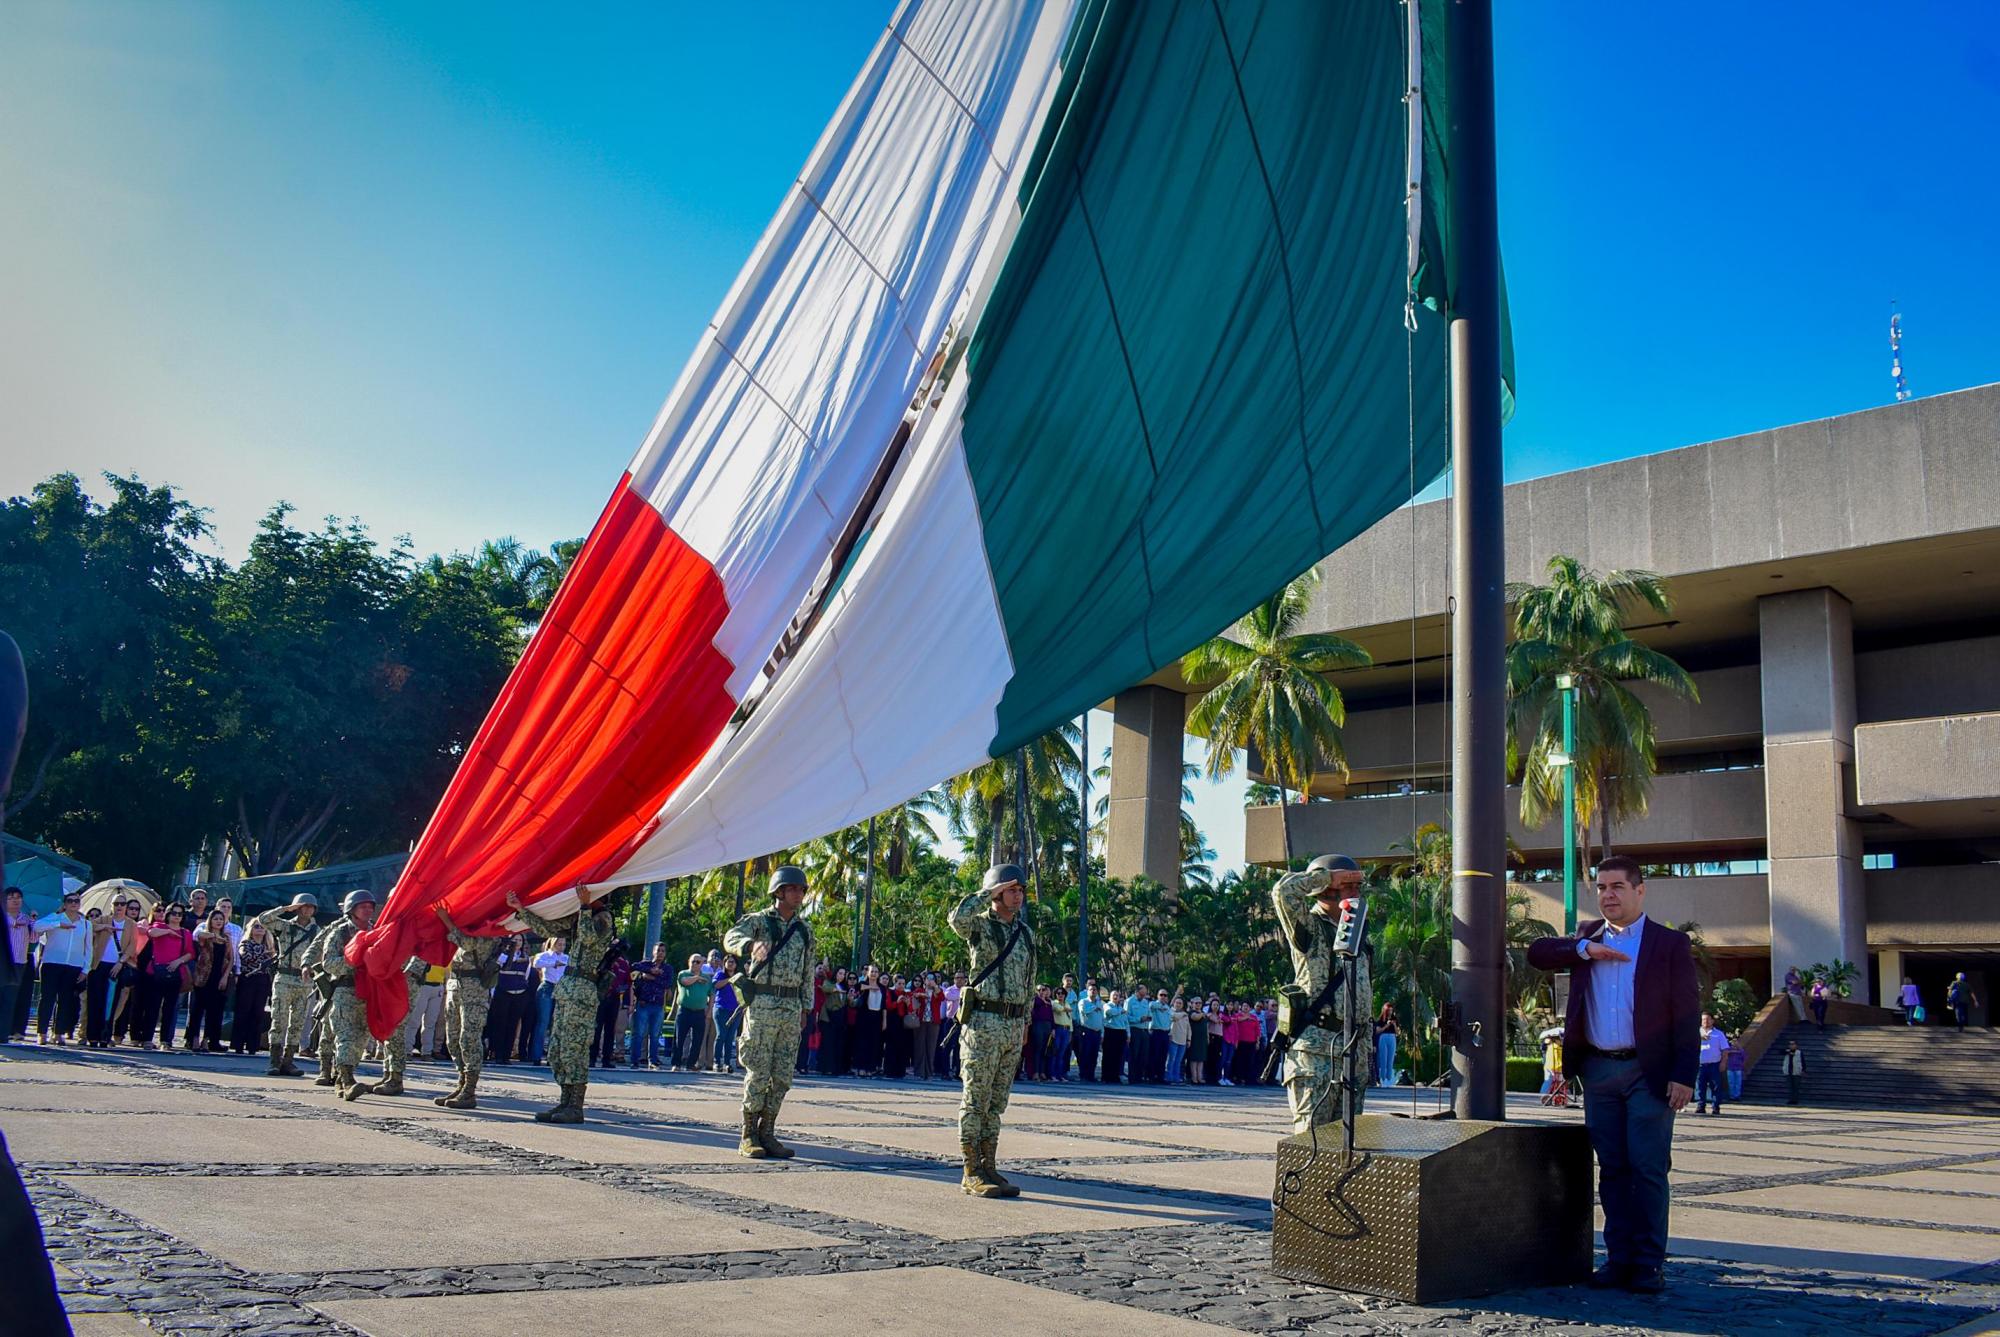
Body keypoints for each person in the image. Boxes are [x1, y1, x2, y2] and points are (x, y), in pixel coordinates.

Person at [1527, 855, 1699, 1295]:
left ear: (1640, 890)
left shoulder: (1668, 944)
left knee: (1647, 1169)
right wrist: (1586, 949)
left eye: (1618, 887)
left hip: (1650, 1073)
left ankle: (1647, 1264)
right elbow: (1537, 954)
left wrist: (1684, 1075)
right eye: (1602, 887)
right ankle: (1618, 1260)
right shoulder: (1588, 936)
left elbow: (1686, 1013)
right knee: (1613, 1170)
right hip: (1600, 1072)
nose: (1608, 895)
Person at [950, 863, 1035, 1198]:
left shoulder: (1026, 933)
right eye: (1012, 889)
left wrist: (1025, 1021)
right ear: (998, 893)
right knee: (976, 1100)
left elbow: (1030, 981)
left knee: (996, 1103)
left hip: (1012, 1026)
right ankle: (971, 1170)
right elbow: (957, 919)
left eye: (1020, 890)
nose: (1019, 895)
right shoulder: (980, 926)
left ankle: (990, 1165)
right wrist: (988, 892)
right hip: (983, 1023)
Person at [1271, 855, 1372, 1130]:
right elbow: (1283, 891)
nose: (1357, 894)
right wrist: (1325, 878)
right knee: (1310, 1144)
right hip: (1315, 1056)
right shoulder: (1310, 928)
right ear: (1327, 891)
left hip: (1353, 1056)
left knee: (1347, 1148)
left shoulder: (1359, 935)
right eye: (1349, 886)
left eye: (1358, 887)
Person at [725, 865, 816, 1158]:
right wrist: (750, 946)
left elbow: (807, 972)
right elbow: (731, 937)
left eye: (802, 890)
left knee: (782, 1075)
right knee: (758, 1071)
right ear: (778, 891)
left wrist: (806, 1007)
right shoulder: (760, 922)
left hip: (790, 1008)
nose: (799, 894)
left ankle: (768, 1131)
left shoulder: (804, 930)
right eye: (793, 889)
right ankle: (748, 1134)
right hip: (762, 1005)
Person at [510, 890, 618, 1123]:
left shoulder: (603, 918)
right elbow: (549, 929)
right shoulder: (582, 916)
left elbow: (589, 938)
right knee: (558, 1050)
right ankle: (564, 1102)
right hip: (567, 989)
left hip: (583, 992)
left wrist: (585, 906)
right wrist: (521, 910)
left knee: (574, 1049)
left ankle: (575, 1107)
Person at [307, 890, 379, 1100]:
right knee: (345, 1035)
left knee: (361, 1037)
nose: (368, 910)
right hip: (345, 990)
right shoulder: (340, 933)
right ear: (351, 909)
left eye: (370, 906)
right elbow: (329, 963)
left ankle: (340, 1079)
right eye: (362, 906)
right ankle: (348, 1080)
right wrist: (355, 963)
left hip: (368, 991)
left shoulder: (376, 931)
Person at [434, 905, 504, 1108]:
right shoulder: (466, 927)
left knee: (469, 1038)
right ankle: (462, 1083)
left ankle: (470, 1091)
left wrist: (446, 920)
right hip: (455, 984)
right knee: (453, 1039)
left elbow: (466, 943)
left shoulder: (489, 931)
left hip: (474, 989)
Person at [254, 894, 320, 1076]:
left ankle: (289, 1061)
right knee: (278, 1020)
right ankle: (274, 1061)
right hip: (284, 978)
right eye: (303, 906)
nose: (307, 910)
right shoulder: (285, 926)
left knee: (297, 1023)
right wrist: (285, 909)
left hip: (305, 981)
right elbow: (263, 919)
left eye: (311, 907)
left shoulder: (317, 931)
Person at [32, 888, 90, 1045]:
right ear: (64, 904)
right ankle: (42, 1032)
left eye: (76, 901)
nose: (73, 904)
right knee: (47, 998)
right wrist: (58, 924)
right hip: (52, 963)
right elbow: (37, 926)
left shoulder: (85, 923)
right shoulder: (55, 918)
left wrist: (86, 969)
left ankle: (58, 1033)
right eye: (70, 901)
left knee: (65, 1000)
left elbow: (88, 948)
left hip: (73, 965)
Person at [185, 909, 232, 1052]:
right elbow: (198, 935)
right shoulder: (205, 935)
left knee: (214, 1011)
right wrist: (214, 935)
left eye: (221, 919)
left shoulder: (227, 938)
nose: (218, 921)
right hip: (203, 976)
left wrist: (225, 977)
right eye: (215, 918)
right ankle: (193, 1039)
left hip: (219, 976)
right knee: (197, 1009)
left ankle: (207, 1039)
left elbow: (230, 959)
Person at [232, 916, 275, 1054]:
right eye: (256, 926)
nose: (260, 929)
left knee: (258, 1013)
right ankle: (238, 1043)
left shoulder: (269, 946)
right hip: (248, 979)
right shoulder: (245, 944)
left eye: (262, 927)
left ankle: (253, 1045)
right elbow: (246, 957)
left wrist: (267, 954)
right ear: (251, 929)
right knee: (243, 1011)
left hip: (263, 981)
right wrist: (264, 954)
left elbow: (272, 961)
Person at [1, 886, 35, 1043]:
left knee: (11, 998)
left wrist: (34, 923)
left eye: (18, 897)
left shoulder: (26, 919)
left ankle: (5, 1033)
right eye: (11, 897)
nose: (15, 900)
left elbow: (34, 940)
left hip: (19, 963)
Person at [628, 943, 671, 1069]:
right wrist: (648, 971)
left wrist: (651, 977)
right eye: (658, 950)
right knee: (639, 1033)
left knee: (655, 1034)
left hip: (658, 1005)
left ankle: (653, 1060)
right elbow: (633, 967)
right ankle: (634, 1061)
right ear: (653, 952)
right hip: (643, 1003)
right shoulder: (645, 965)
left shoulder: (667, 968)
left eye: (663, 951)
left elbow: (666, 983)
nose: (660, 953)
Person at [529, 936, 569, 1064]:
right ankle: (536, 1055)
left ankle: (552, 1056)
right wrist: (553, 963)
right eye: (559, 944)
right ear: (552, 944)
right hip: (547, 987)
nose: (561, 947)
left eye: (563, 944)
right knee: (543, 1022)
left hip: (561, 988)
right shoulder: (544, 955)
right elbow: (536, 963)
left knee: (556, 1024)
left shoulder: (566, 958)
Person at [592, 938, 630, 1069]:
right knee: (596, 1029)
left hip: (614, 998)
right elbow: (597, 973)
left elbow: (627, 982)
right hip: (600, 997)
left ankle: (606, 1059)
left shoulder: (624, 963)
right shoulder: (604, 958)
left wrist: (623, 992)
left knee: (610, 1030)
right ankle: (592, 1057)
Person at [672, 953, 712, 1073]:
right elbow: (685, 982)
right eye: (692, 961)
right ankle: (676, 1063)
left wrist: (709, 1011)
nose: (694, 964)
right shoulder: (683, 973)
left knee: (697, 1040)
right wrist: (696, 978)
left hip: (699, 1012)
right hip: (684, 1011)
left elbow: (711, 995)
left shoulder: (707, 978)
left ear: (702, 964)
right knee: (680, 1038)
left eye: (698, 962)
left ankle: (691, 1064)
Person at [1694, 1013, 1728, 1115]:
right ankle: (1701, 1106)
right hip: (1700, 1065)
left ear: (1712, 1021)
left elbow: (1725, 1050)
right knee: (1700, 1087)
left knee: (1716, 1086)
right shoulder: (1695, 1033)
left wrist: (1723, 1062)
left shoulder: (1719, 1034)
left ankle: (1715, 1107)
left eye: (1708, 1019)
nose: (1705, 1021)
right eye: (1703, 1020)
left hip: (1714, 1065)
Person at [715, 955, 744, 1073]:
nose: (730, 964)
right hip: (721, 1009)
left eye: (733, 962)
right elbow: (716, 985)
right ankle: (717, 1062)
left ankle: (727, 1063)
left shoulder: (740, 977)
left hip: (736, 1010)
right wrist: (730, 979)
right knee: (721, 1035)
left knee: (730, 1038)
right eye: (728, 961)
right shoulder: (720, 975)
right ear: (724, 963)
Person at [1073, 980, 1104, 1082]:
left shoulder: (1100, 1003)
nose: (1093, 992)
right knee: (1085, 1053)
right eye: (1091, 990)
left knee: (1094, 1055)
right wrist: (1094, 1008)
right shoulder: (1083, 1001)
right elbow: (1084, 1011)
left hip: (1097, 1032)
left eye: (1095, 990)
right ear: (1087, 991)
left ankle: (1091, 1075)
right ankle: (1083, 1075)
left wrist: (1102, 1033)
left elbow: (1102, 1019)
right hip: (1086, 1030)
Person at [1102, 987, 1129, 1083]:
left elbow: (1126, 1022)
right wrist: (1120, 1012)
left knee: (1119, 1055)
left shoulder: (1121, 1008)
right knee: (1109, 1055)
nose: (1116, 997)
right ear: (1110, 997)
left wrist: (1128, 1034)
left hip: (1121, 1032)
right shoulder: (1107, 1005)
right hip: (1110, 1031)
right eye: (1114, 995)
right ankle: (1106, 1077)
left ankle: (1115, 1076)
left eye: (1117, 996)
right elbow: (1109, 1013)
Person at [1048, 984, 1072, 1083]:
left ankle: (1060, 1075)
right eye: (1058, 993)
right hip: (1058, 1029)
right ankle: (1052, 1075)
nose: (1060, 995)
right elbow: (1059, 1009)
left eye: (1062, 993)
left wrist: (1071, 1032)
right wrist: (1065, 1008)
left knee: (1062, 1054)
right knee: (1054, 1052)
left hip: (1066, 1030)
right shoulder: (1054, 1003)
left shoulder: (1067, 1003)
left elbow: (1070, 1019)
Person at [1373, 1004, 1400, 1087]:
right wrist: (1386, 1025)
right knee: (1383, 1058)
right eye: (1389, 1010)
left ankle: (1389, 1080)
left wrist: (1394, 1024)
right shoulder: (1380, 1020)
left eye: (1391, 1010)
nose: (1390, 1012)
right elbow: (1378, 1031)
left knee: (1390, 1058)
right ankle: (1382, 1079)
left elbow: (1397, 1032)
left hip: (1392, 1037)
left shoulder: (1394, 1019)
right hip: (1383, 1037)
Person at [1166, 997, 1190, 1084]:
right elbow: (1174, 1017)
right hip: (1173, 1039)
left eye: (1180, 1003)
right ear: (1174, 1003)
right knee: (1171, 1059)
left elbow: (1188, 1028)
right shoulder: (1170, 1012)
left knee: (1179, 1061)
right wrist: (1183, 1014)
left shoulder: (1185, 1015)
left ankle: (1176, 1078)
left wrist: (1189, 1039)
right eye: (1177, 1003)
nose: (1178, 1004)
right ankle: (1169, 1077)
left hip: (1183, 1041)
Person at [1782, 1039, 1806, 1104]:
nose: (1791, 1045)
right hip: (1788, 1071)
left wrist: (1803, 1070)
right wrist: (1789, 1051)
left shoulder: (1799, 1052)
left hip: (1796, 1071)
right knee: (1790, 1087)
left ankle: (1795, 1100)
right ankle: (1790, 1099)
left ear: (1796, 1045)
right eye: (1790, 1044)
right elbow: (1781, 1052)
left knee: (1796, 1087)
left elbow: (1803, 1061)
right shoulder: (1786, 1051)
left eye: (1793, 1044)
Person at [1724, 1033, 1746, 1101]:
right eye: (1733, 1041)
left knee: (1738, 1083)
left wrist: (1738, 1048)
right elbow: (1726, 1054)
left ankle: (1737, 1095)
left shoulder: (1741, 1050)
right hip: (1730, 1068)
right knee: (1731, 1082)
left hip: (1738, 1068)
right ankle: (1732, 1096)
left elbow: (1744, 1056)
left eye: (1736, 1041)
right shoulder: (1729, 1049)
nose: (1734, 1043)